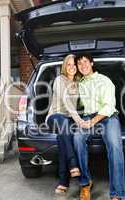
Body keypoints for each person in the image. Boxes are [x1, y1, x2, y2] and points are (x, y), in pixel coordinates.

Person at [73, 53, 125, 200]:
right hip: (88, 116)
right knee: (77, 139)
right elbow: (76, 106)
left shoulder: (104, 80)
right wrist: (80, 120)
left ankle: (117, 194)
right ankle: (85, 183)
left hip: (108, 117)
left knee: (115, 146)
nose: (82, 65)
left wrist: (92, 121)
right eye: (79, 63)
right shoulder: (80, 84)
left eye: (85, 62)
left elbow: (109, 106)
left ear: (91, 63)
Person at [46, 54, 84, 194]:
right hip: (54, 117)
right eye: (68, 64)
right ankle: (73, 164)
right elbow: (67, 102)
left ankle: (63, 182)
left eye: (74, 64)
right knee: (63, 123)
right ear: (64, 66)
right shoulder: (59, 80)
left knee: (63, 138)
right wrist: (78, 120)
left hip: (68, 121)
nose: (72, 67)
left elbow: (83, 102)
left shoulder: (79, 82)